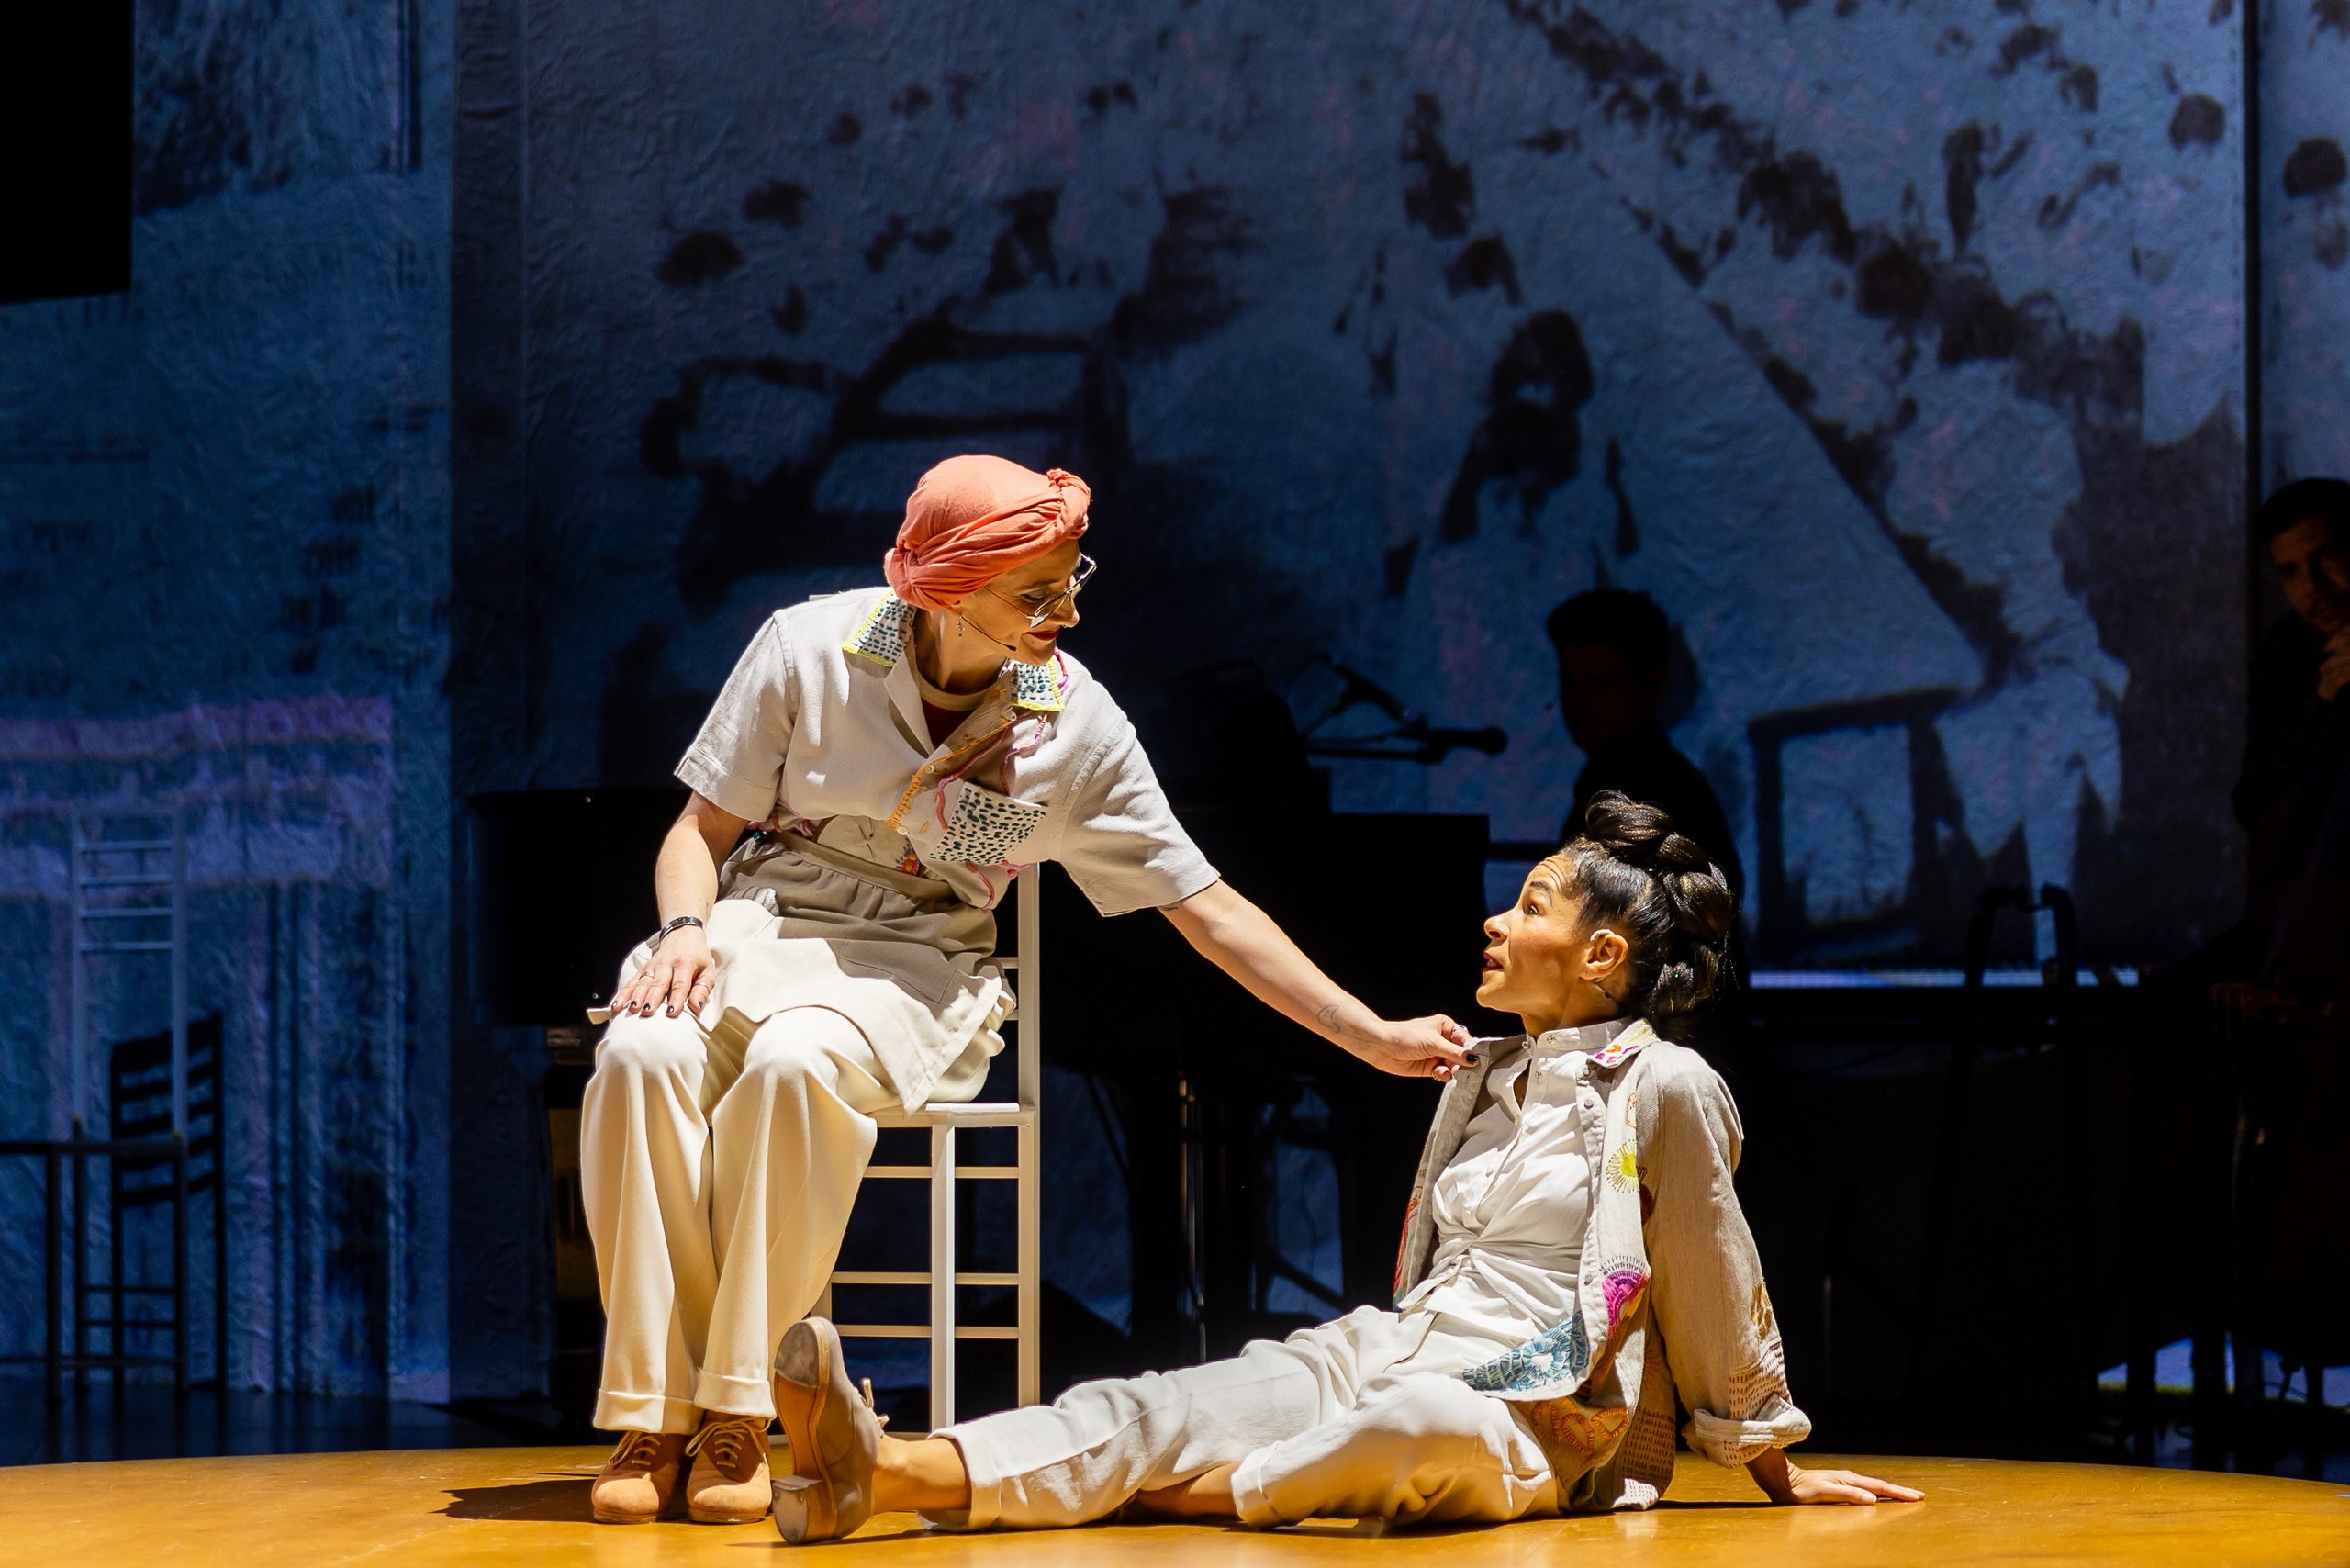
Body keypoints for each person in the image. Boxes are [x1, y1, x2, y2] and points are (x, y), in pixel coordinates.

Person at [579, 454, 1473, 1524]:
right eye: (1037, 592)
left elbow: (1205, 906)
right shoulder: (811, 649)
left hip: (915, 959)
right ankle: (653, 1412)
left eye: (1071, 580)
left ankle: (738, 1408)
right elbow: (700, 829)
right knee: (640, 1051)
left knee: (791, 1061)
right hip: (757, 922)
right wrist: (682, 930)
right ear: (947, 589)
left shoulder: (1071, 722)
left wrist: (1366, 1033)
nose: (1070, 611)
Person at [765, 793, 1920, 1542]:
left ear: (1601, 952)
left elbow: (1712, 1266)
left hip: (1534, 1409)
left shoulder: (1665, 1083)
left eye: (1528, 905)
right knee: (1156, 1400)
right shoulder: (1482, 1075)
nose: (1493, 920)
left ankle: (1193, 1489)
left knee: (1416, 1425)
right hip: (1394, 1345)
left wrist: (1769, 1457)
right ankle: (888, 1468)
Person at [1548, 590, 1742, 897]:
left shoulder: (1662, 799)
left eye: (1602, 684)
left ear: (1652, 684)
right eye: (1570, 684)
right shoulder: (1607, 788)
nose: (1581, 704)